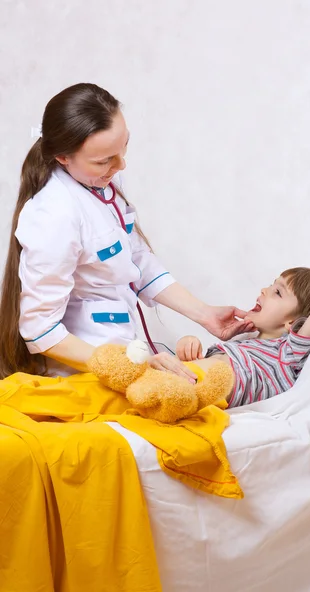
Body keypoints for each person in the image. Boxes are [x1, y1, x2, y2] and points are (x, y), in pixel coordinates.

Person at [0, 83, 253, 379]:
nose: (121, 165)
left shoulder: (99, 183)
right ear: (63, 157)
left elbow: (137, 262)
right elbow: (40, 330)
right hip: (86, 372)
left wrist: (204, 314)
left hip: (128, 354)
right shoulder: (53, 214)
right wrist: (122, 365)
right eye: (104, 160)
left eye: (124, 148)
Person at [176, 268, 310, 407]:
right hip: (186, 382)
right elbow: (197, 362)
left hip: (197, 388)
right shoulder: (245, 341)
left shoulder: (288, 352)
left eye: (278, 292)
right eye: (271, 285)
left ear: (292, 322)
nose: (264, 290)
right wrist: (190, 345)